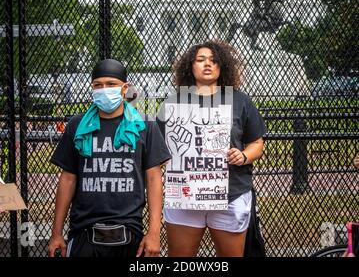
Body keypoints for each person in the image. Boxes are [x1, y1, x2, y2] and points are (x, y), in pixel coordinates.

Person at [48, 59, 171, 257]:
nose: (104, 89)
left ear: (124, 88)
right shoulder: (77, 125)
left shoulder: (144, 125)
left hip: (130, 231)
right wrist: (56, 233)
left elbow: (154, 179)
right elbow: (68, 178)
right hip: (83, 231)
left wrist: (154, 232)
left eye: (111, 84)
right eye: (98, 85)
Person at [157, 40, 266, 257]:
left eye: (214, 60)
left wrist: (243, 156)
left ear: (222, 65)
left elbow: (257, 143)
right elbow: (159, 149)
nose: (208, 64)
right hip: (184, 197)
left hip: (230, 194)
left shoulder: (240, 100)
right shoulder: (172, 103)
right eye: (200, 60)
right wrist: (164, 170)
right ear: (190, 66)